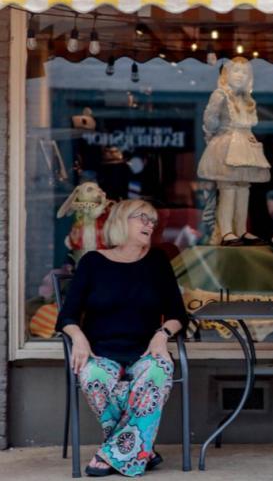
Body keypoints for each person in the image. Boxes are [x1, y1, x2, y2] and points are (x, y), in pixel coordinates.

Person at [56, 199, 189, 477]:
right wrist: (79, 338)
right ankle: (142, 450)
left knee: (159, 371)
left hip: (144, 352)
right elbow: (66, 316)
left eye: (152, 220)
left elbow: (178, 314)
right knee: (92, 375)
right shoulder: (93, 262)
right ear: (120, 221)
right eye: (142, 218)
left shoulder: (157, 262)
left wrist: (162, 335)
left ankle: (111, 455)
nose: (149, 224)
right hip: (101, 352)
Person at [197, 56, 271, 246]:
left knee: (243, 188)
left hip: (244, 143)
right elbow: (210, 122)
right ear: (226, 74)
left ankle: (241, 230)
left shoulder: (247, 99)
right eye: (236, 71)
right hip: (227, 144)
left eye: (244, 72)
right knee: (228, 188)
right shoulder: (220, 95)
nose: (240, 75)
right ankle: (226, 231)